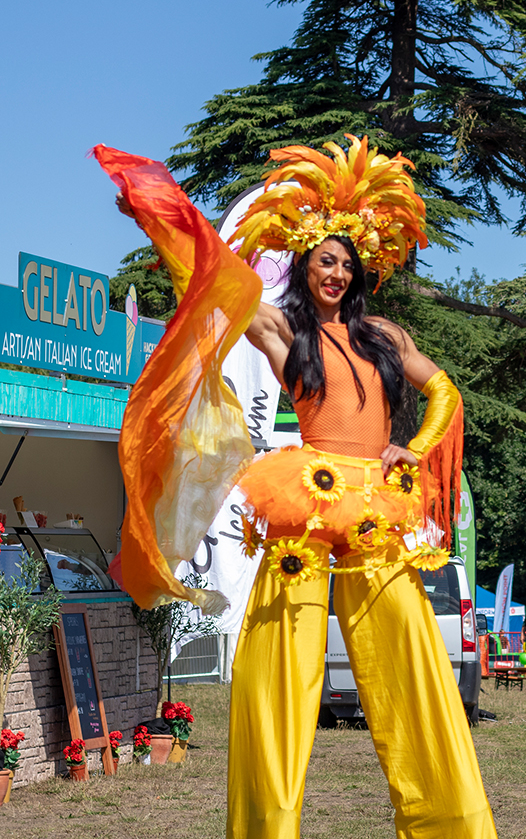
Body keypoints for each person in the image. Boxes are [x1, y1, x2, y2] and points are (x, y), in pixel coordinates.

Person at [100, 138, 496, 839]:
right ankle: (266, 825)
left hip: (374, 508)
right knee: (279, 669)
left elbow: (445, 392)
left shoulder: (385, 335)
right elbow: (217, 277)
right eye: (324, 262)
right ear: (304, 267)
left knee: (410, 667)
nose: (335, 274)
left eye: (345, 264)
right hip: (307, 503)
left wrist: (414, 449)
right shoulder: (286, 333)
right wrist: (158, 218)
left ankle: (447, 822)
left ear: (358, 271)